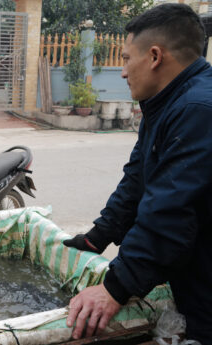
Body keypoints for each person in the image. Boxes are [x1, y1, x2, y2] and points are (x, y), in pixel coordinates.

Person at [63, 4, 212, 343]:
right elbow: (138, 178)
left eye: (127, 58)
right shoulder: (166, 104)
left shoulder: (198, 110)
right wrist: (98, 235)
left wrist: (114, 289)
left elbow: (171, 214)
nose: (122, 71)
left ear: (155, 56)